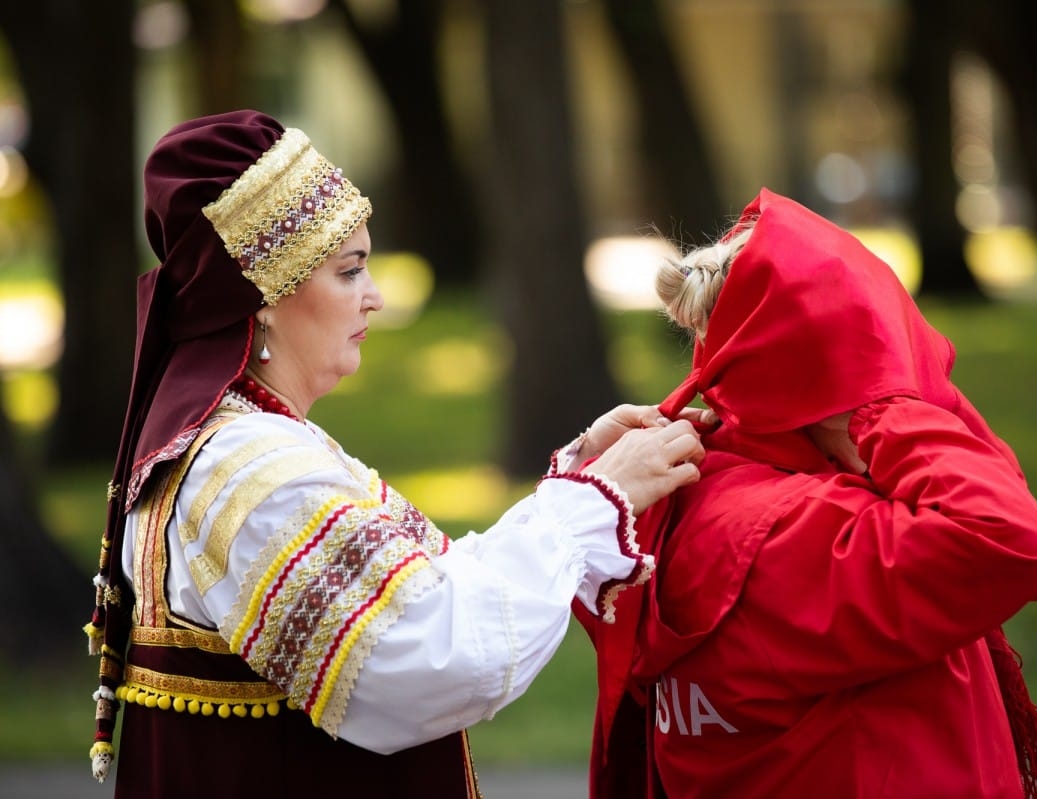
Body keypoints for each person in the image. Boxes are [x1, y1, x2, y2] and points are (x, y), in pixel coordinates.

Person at [82, 109, 711, 798]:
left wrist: (580, 479)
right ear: (261, 297)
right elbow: (431, 654)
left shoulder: (246, 443)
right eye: (349, 271)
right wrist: (585, 508)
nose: (375, 297)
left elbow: (413, 589)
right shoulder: (249, 474)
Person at [576, 188, 1037, 799]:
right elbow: (1007, 536)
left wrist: (583, 463)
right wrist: (883, 409)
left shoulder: (673, 492)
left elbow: (572, 550)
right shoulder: (802, 528)